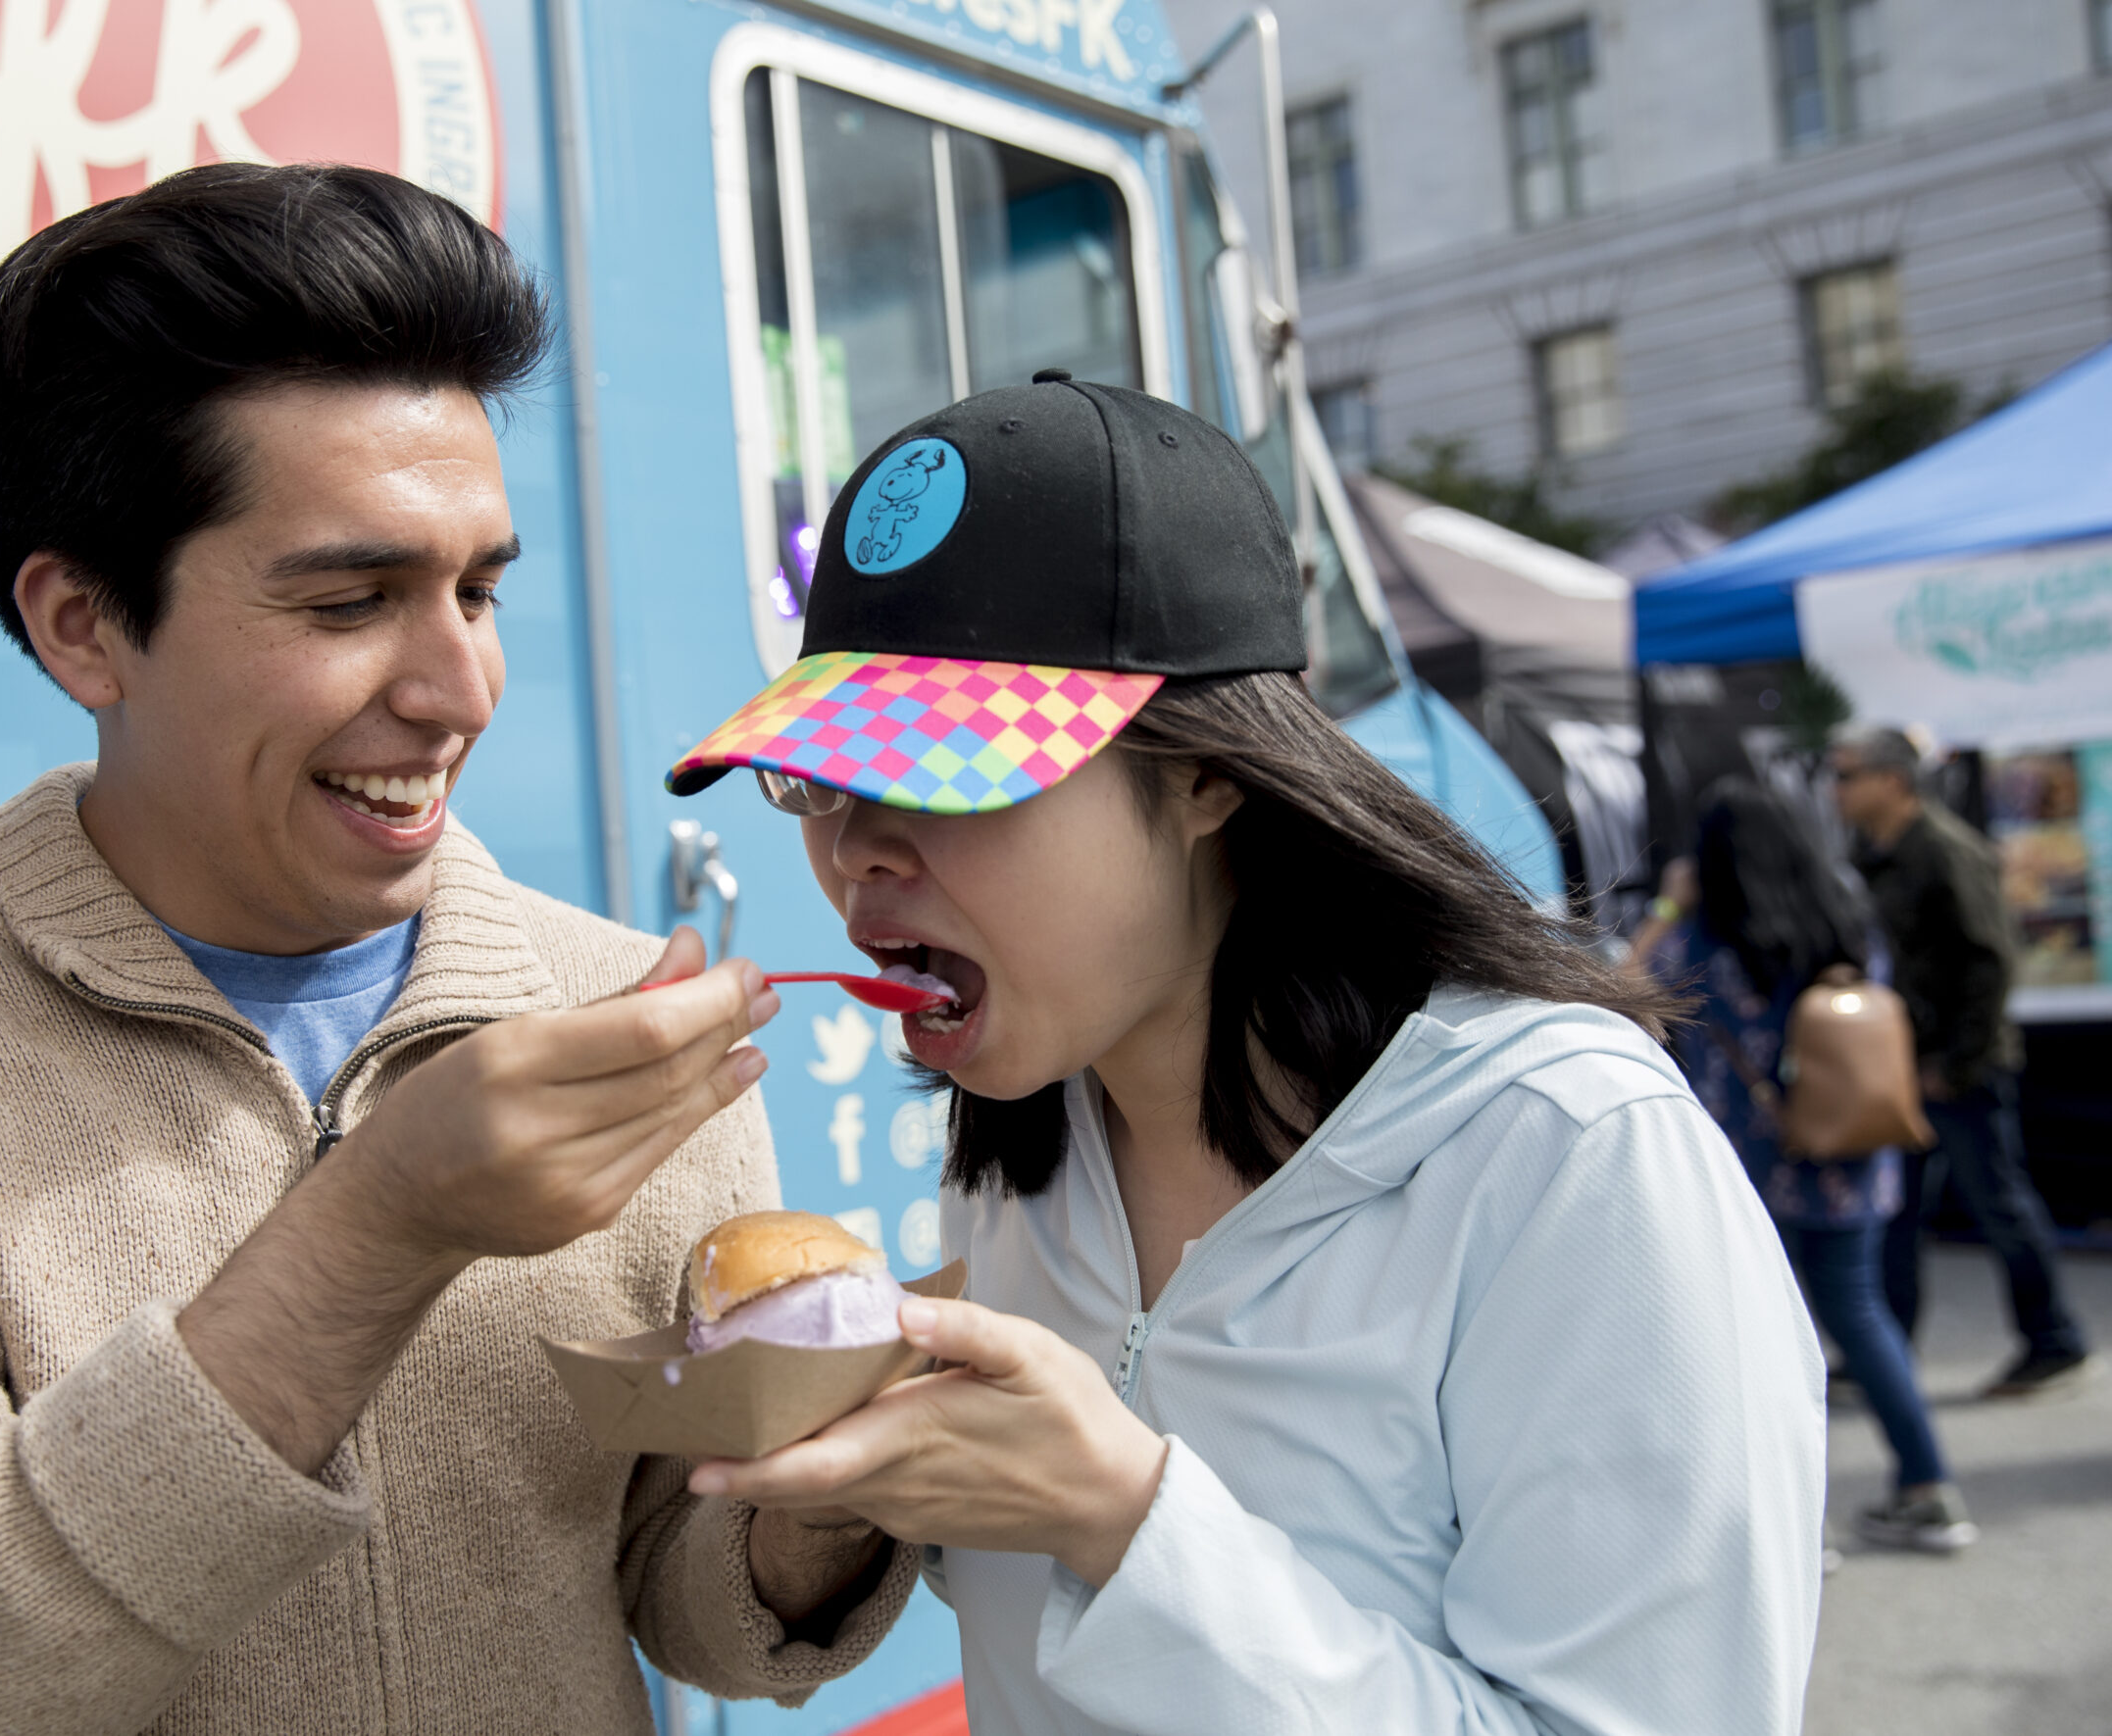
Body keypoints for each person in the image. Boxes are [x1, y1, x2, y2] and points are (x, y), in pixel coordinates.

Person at [0, 165, 913, 1736]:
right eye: (352, 599)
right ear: (81, 622)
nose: (459, 687)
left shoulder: (605, 1000)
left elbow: (676, 1584)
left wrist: (831, 1498)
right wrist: (376, 1227)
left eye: (480, 587)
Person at [667, 375, 1826, 1732]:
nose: (857, 845)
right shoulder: (1027, 1146)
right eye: (819, 775)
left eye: (942, 765)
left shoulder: (1564, 1154)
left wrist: (1124, 1518)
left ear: (1210, 773)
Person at [1633, 783, 1974, 1553]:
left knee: (1764, 1339)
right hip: (1847, 1147)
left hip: (1748, 1165)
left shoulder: (1707, 940)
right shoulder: (1847, 925)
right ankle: (1930, 1488)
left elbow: (1625, 991)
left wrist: (1666, 907)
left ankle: (1798, 1529)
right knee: (1860, 1313)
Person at [1830, 725, 2096, 1399]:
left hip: (1960, 1068)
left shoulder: (1945, 850)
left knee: (1998, 1203)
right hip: (1906, 1064)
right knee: (1893, 1212)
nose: (1836, 790)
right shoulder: (1874, 854)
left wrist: (1955, 1060)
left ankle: (2053, 1338)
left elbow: (1991, 962)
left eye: (1847, 775)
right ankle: (1883, 1347)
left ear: (1892, 780)